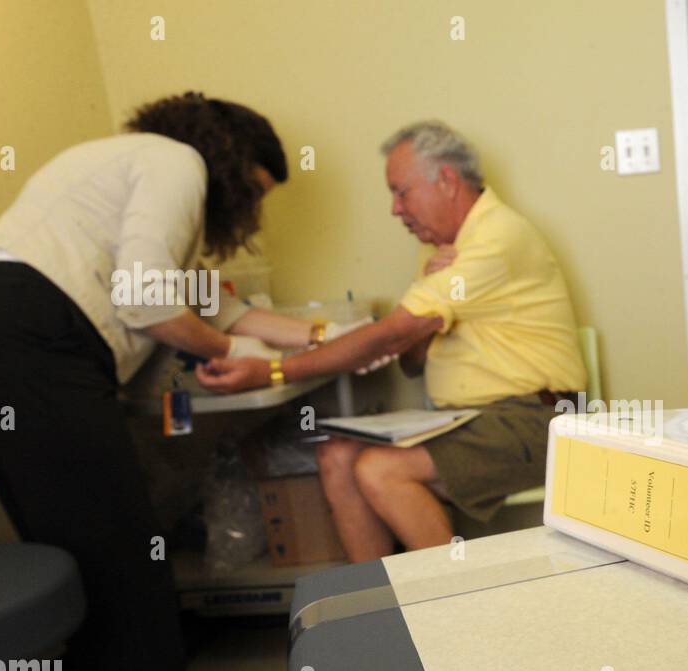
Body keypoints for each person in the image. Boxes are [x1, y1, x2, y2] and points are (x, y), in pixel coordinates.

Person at [0, 92, 331, 671]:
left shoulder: (128, 169)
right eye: (255, 192)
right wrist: (233, 352)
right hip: (31, 347)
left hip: (0, 341)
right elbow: (148, 304)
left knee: (98, 553)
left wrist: (317, 338)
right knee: (124, 560)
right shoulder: (176, 162)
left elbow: (214, 305)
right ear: (231, 160)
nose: (252, 214)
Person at [198, 121, 586, 559]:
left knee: (380, 470)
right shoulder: (438, 250)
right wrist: (418, 317)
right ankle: (384, 605)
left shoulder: (496, 238)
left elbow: (391, 337)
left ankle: (461, 607)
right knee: (337, 457)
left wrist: (273, 371)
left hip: (538, 419)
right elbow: (410, 360)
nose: (395, 210)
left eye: (401, 192)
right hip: (462, 421)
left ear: (446, 180)